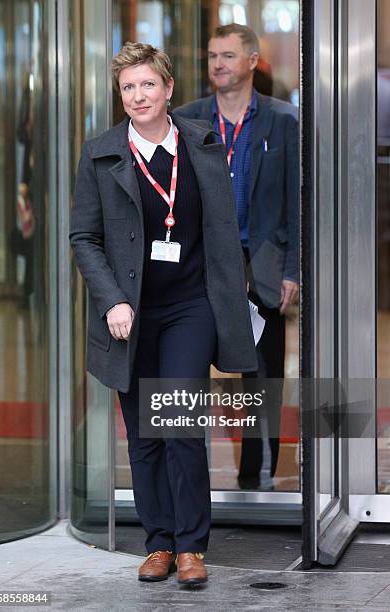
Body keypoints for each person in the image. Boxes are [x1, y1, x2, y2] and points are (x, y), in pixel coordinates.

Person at [69, 42, 257, 586]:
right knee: (144, 433)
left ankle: (192, 546)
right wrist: (113, 300)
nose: (137, 96)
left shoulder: (201, 143)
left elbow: (221, 230)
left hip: (190, 307)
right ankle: (158, 543)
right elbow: (85, 237)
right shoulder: (101, 153)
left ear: (169, 89)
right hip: (130, 312)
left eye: (147, 84)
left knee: (177, 423)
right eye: (128, 87)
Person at [176, 24, 299, 490]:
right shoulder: (188, 120)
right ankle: (189, 480)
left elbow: (296, 202)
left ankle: (255, 475)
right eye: (212, 56)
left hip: (263, 263)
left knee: (261, 374)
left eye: (227, 56)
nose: (217, 65)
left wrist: (292, 269)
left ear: (252, 62)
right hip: (204, 262)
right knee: (191, 364)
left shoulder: (284, 121)